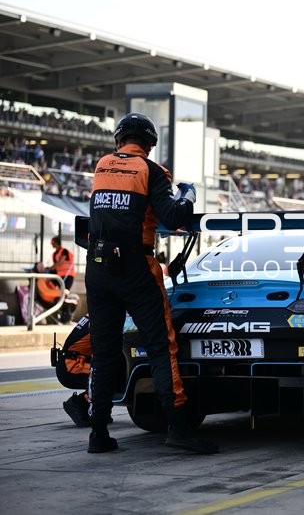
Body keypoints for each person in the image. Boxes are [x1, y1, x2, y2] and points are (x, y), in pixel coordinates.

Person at [85, 112, 217, 454]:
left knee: (103, 352)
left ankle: (98, 432)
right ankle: (178, 426)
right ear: (150, 144)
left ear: (119, 139)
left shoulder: (101, 166)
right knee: (161, 346)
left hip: (98, 267)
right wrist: (188, 195)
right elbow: (173, 217)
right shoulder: (152, 171)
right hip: (136, 267)